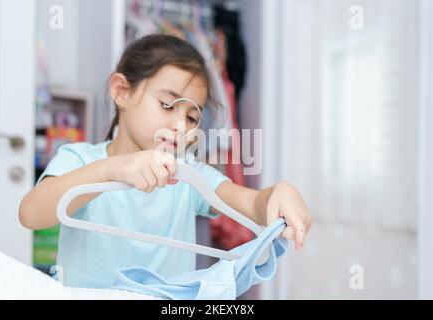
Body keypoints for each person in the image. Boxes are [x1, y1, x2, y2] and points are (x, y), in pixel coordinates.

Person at [19, 34, 312, 288]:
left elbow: (253, 204)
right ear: (122, 91)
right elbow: (31, 214)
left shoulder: (189, 175)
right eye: (167, 105)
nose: (180, 125)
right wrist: (110, 171)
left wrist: (279, 193)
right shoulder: (80, 159)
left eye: (191, 117)